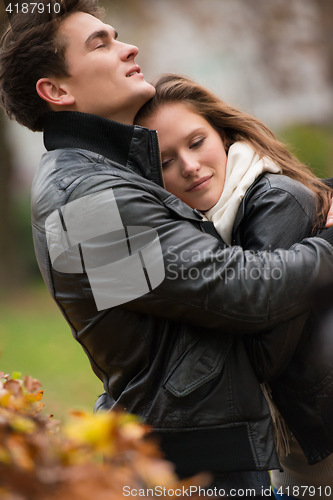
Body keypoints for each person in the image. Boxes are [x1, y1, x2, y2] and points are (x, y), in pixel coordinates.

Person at [1, 1, 333, 497]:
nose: (128, 47)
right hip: (190, 461)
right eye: (101, 43)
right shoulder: (86, 194)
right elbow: (244, 293)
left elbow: (161, 321)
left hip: (191, 447)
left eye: (116, 35)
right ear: (56, 90)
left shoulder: (99, 180)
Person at [134, 74, 333, 499]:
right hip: (291, 429)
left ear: (223, 134)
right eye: (166, 161)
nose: (189, 166)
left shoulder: (274, 199)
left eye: (195, 142)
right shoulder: (203, 226)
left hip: (320, 427)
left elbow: (262, 354)